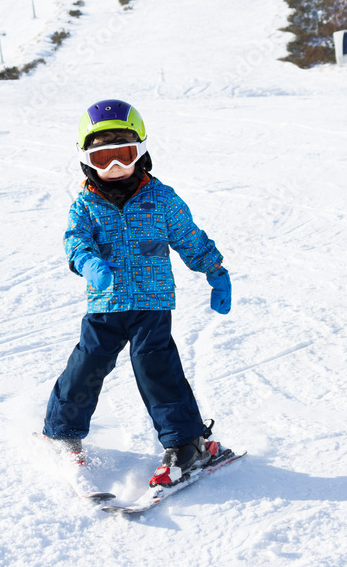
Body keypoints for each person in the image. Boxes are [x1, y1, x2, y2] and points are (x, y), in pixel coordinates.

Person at [42, 98, 232, 488]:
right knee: (87, 365)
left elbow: (188, 238)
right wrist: (88, 263)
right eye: (102, 158)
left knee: (154, 365)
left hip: (152, 302)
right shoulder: (85, 206)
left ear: (141, 152)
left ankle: (187, 442)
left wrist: (214, 269)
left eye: (123, 155)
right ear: (86, 160)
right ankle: (62, 432)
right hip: (106, 304)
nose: (113, 167)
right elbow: (75, 242)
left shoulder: (163, 200)